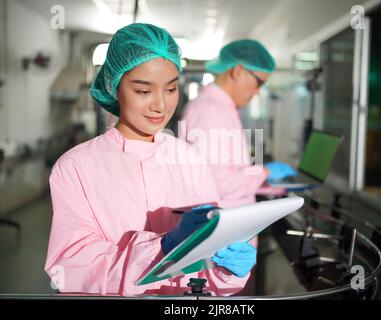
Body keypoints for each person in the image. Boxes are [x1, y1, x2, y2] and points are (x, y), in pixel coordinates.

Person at [44, 23, 256, 296]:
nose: (161, 105)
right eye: (143, 91)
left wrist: (226, 270)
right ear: (113, 87)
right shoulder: (75, 167)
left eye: (170, 89)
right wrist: (163, 247)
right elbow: (72, 268)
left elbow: (206, 268)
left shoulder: (189, 158)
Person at [182, 39, 296, 209]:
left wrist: (264, 184)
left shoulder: (222, 108)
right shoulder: (208, 110)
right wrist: (265, 172)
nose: (258, 92)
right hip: (222, 227)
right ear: (238, 70)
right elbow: (221, 184)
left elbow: (229, 172)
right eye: (259, 82)